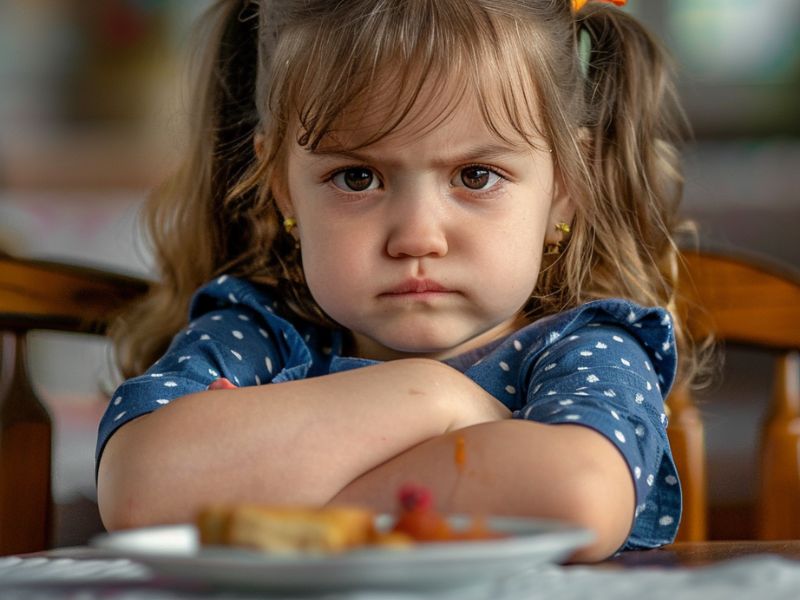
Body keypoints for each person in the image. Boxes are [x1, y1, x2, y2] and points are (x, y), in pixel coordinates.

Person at [96, 0, 695, 562]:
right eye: (357, 178)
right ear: (284, 188)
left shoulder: (585, 348)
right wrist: (441, 400)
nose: (416, 235)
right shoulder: (260, 332)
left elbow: (579, 497)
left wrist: (278, 508)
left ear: (564, 187)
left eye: (477, 174)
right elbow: (138, 491)